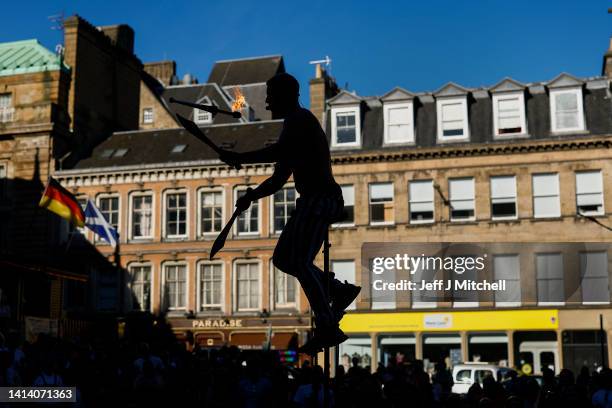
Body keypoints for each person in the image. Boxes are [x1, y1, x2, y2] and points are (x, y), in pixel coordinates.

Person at [219, 72, 360, 354]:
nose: (267, 102)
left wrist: (240, 158)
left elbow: (278, 152)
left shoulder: (300, 120)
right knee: (285, 259)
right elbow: (278, 178)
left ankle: (328, 325)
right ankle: (336, 290)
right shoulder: (293, 125)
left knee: (297, 260)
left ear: (286, 95)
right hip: (315, 201)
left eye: (271, 95)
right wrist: (251, 196)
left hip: (320, 200)